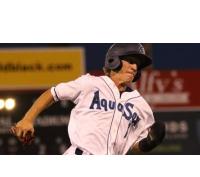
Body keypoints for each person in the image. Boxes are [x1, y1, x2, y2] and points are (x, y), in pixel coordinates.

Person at [10, 43, 165, 155]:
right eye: (131, 61)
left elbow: (134, 146)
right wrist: (28, 119)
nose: (135, 67)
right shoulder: (90, 83)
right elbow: (53, 93)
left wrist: (148, 143)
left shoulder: (140, 105)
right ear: (114, 60)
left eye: (137, 65)